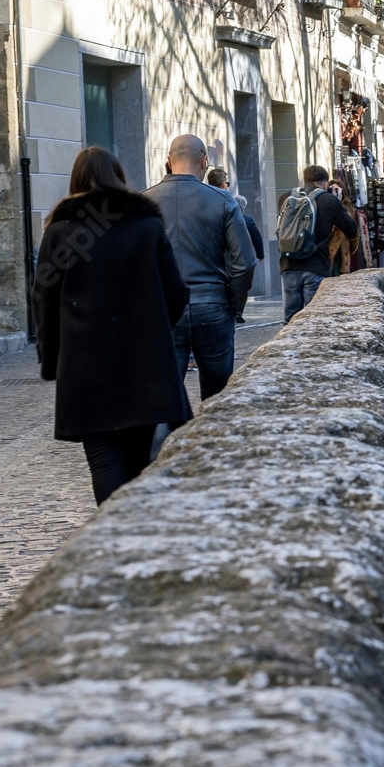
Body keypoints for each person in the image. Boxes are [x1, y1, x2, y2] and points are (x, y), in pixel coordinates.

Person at [32, 146, 191, 505]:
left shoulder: (60, 233)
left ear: (76, 180)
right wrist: (155, 331)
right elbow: (177, 292)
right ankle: (132, 525)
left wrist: (52, 359)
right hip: (144, 363)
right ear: (118, 176)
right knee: (138, 458)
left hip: (85, 363)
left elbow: (45, 302)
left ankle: (115, 527)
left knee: (104, 459)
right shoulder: (147, 227)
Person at [143, 134, 254, 402]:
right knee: (217, 399)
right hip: (213, 304)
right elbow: (244, 263)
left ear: (168, 161)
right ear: (205, 161)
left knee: (162, 399)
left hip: (164, 309)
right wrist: (234, 306)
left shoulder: (144, 202)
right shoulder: (224, 201)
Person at [278, 164, 358, 322]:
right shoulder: (329, 201)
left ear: (304, 180)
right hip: (316, 266)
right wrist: (338, 202)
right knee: (313, 318)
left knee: (291, 319)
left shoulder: (286, 198)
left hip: (288, 264)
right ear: (325, 184)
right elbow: (350, 229)